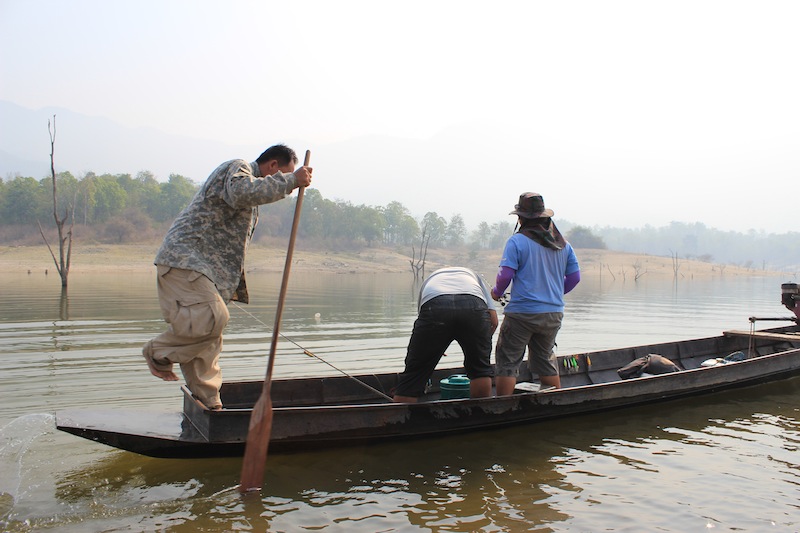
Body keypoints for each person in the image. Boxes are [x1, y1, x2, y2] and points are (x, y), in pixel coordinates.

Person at [142, 144, 313, 410]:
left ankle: (209, 403)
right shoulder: (237, 168)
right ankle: (158, 352)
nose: (287, 188)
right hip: (184, 260)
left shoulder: (251, 192)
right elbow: (241, 192)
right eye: (283, 176)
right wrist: (293, 180)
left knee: (210, 339)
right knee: (213, 318)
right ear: (272, 167)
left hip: (205, 272)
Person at [491, 192, 580, 395]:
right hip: (553, 314)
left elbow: (505, 275)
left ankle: (502, 408)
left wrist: (496, 293)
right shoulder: (564, 246)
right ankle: (556, 402)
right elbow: (574, 278)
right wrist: (555, 294)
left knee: (508, 360)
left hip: (522, 314)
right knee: (544, 359)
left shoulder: (516, 242)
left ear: (521, 218)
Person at [393, 266, 499, 402]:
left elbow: (425, 332)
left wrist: (435, 345)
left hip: (435, 305)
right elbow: (494, 321)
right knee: (480, 369)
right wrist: (480, 345)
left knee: (414, 374)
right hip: (473, 307)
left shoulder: (430, 281)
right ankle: (482, 413)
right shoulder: (475, 278)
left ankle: (400, 419)